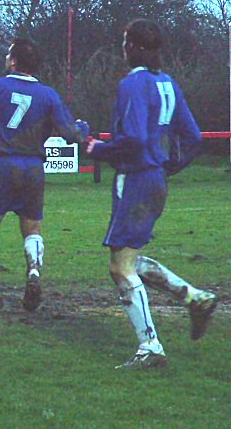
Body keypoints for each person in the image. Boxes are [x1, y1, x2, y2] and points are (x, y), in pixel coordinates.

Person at [86, 18, 217, 370]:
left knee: (119, 267)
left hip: (135, 179)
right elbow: (194, 138)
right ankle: (195, 298)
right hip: (155, 179)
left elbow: (133, 139)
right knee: (128, 258)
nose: (122, 48)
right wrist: (169, 167)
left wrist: (99, 149)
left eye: (125, 42)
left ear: (134, 47)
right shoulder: (168, 83)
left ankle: (150, 346)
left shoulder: (133, 84)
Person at [0, 37, 89, 314]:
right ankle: (33, 272)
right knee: (32, 227)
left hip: (1, 166)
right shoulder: (48, 95)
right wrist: (83, 127)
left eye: (9, 55)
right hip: (33, 168)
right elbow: (71, 134)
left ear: (14, 61)